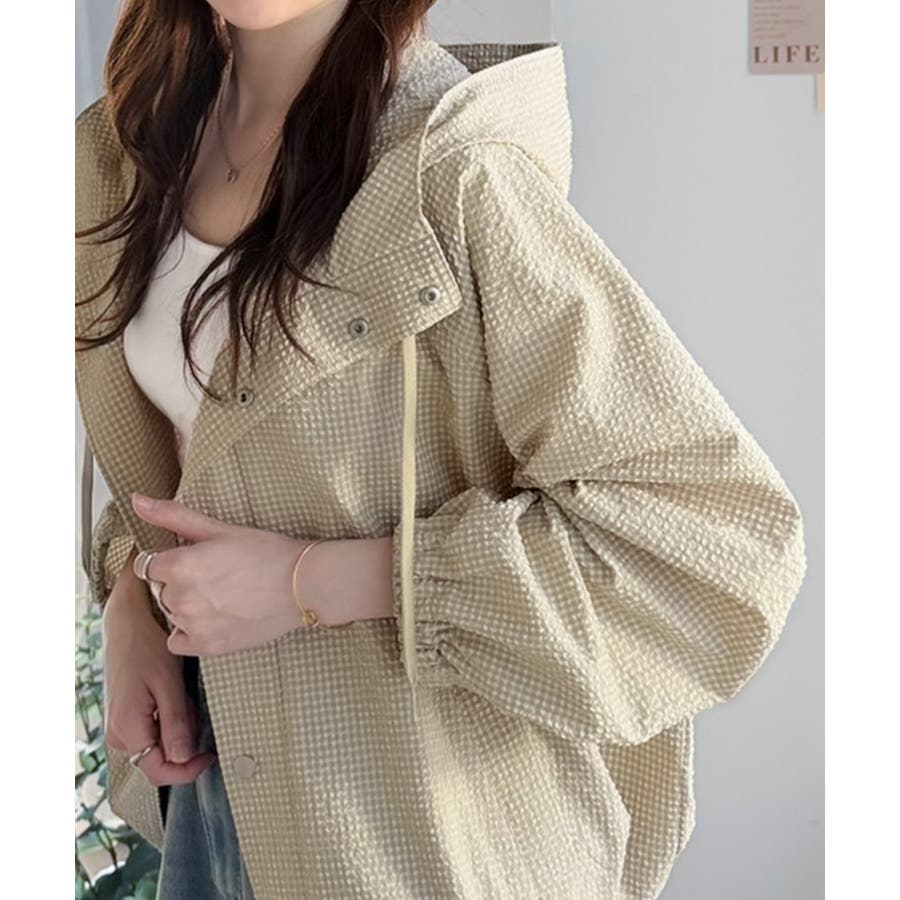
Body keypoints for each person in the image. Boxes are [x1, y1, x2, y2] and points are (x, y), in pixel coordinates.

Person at [75, 2, 808, 898]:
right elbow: (190, 446)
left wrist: (314, 581)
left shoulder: (456, 173)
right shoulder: (127, 151)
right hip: (219, 793)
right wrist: (132, 597)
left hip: (414, 832)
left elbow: (719, 549)